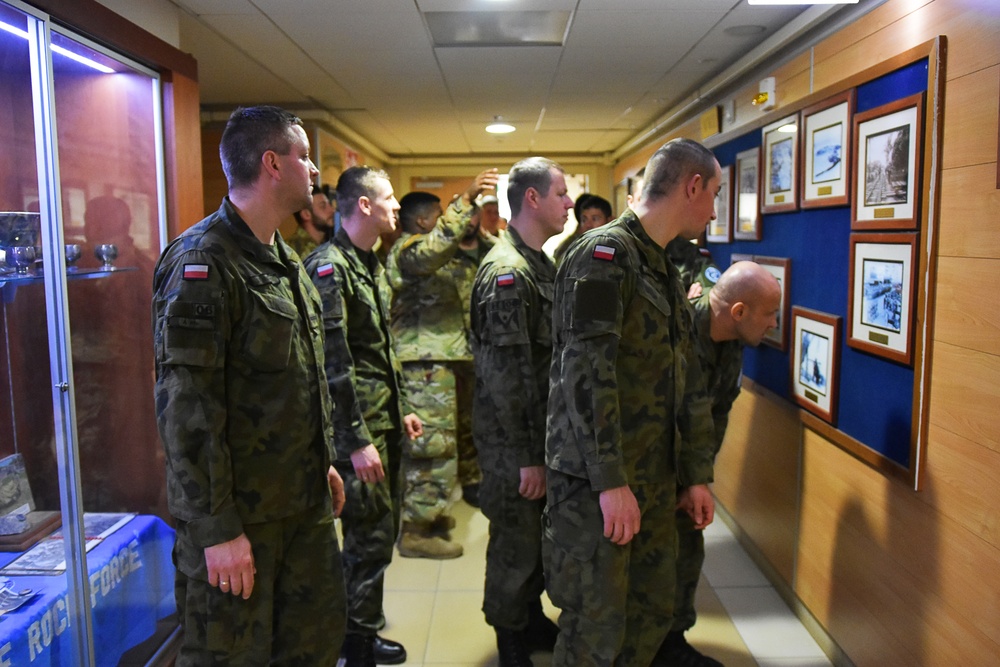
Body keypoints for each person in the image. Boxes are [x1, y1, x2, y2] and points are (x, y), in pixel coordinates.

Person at [152, 105, 347, 665]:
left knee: (311, 646)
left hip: (300, 508)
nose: (313, 172)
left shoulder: (285, 260)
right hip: (241, 522)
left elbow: (293, 381)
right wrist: (216, 530)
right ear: (272, 164)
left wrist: (321, 460)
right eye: (304, 157)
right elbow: (187, 408)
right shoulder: (203, 262)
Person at [543, 137, 721, 666]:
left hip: (652, 477)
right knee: (594, 633)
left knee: (647, 619)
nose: (714, 208)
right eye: (714, 193)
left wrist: (694, 473)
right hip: (601, 486)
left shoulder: (661, 264)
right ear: (692, 186)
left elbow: (683, 377)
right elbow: (585, 372)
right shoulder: (604, 255)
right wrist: (610, 480)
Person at [303, 165, 422, 667]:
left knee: (378, 535)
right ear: (365, 205)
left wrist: (405, 407)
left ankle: (361, 632)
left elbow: (377, 350)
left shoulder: (369, 262)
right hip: (357, 433)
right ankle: (352, 648)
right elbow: (334, 362)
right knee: (365, 539)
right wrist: (354, 440)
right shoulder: (329, 267)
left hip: (380, 420)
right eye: (390, 197)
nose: (399, 206)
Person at [651, 260, 782, 667]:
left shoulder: (731, 342)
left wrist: (698, 480)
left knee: (687, 551)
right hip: (650, 471)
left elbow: (716, 412)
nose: (775, 324)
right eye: (770, 314)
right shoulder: (676, 333)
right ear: (739, 313)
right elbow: (654, 419)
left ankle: (672, 641)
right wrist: (678, 481)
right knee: (646, 566)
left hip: (688, 473)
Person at [470, 157, 573, 666]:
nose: (570, 203)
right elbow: (506, 377)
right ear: (532, 199)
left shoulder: (538, 261)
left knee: (533, 538)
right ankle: (508, 634)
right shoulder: (507, 272)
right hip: (514, 444)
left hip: (538, 436)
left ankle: (528, 618)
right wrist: (529, 456)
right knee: (514, 541)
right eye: (561, 194)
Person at [385, 169, 499, 558]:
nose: (455, 220)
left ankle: (431, 516)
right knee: (430, 448)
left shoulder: (438, 252)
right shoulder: (409, 250)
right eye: (441, 212)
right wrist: (464, 198)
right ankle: (416, 530)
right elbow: (435, 248)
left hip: (442, 363)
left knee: (443, 444)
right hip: (423, 366)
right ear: (422, 220)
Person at [553, 194, 613, 264]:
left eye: (595, 219)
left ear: (609, 221)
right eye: (584, 220)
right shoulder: (576, 249)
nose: (588, 225)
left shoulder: (617, 245)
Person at [288, 184, 335, 257]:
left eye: (329, 204)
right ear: (306, 214)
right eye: (323, 206)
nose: (332, 210)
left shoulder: (325, 245)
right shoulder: (294, 250)